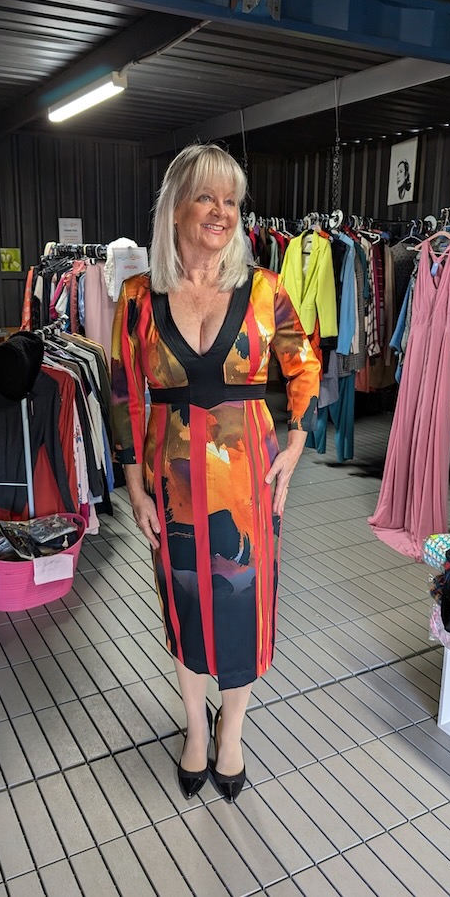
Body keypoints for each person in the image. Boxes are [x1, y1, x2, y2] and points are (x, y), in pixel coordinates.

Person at [110, 143, 320, 802]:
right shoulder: (139, 296)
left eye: (231, 200)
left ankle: (230, 733)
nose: (222, 212)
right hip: (169, 484)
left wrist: (296, 441)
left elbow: (304, 362)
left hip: (246, 481)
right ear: (175, 208)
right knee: (185, 602)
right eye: (207, 197)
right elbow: (124, 392)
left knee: (242, 603)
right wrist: (133, 483)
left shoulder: (263, 290)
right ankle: (193, 730)